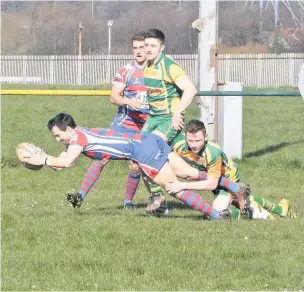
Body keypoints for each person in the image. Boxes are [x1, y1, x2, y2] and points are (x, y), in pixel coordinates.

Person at [22, 113, 238, 220]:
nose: (58, 139)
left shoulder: (78, 139)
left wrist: (41, 159)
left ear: (67, 129)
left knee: (175, 187)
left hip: (142, 151)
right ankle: (233, 186)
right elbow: (61, 162)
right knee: (187, 172)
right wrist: (42, 157)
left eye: (58, 135)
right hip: (149, 140)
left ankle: (217, 217)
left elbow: (67, 162)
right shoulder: (80, 133)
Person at [71, 32, 150, 210]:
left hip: (147, 125)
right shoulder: (126, 71)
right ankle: (80, 195)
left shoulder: (158, 71)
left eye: (142, 47)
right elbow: (114, 97)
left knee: (136, 162)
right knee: (103, 155)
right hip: (125, 122)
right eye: (135, 48)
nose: (138, 52)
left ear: (149, 48)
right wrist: (129, 101)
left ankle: (128, 202)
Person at [166, 119, 297, 219]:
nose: (194, 145)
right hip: (211, 177)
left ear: (205, 137)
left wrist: (181, 185)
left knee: (214, 214)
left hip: (228, 178)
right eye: (190, 140)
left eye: (198, 140)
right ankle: (282, 209)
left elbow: (211, 184)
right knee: (237, 201)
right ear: (185, 137)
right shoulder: (178, 143)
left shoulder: (213, 152)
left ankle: (254, 212)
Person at [140, 28, 198, 211]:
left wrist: (178, 112)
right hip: (153, 118)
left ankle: (217, 181)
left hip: (168, 119)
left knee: (149, 149)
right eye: (146, 45)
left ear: (162, 47)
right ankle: (157, 198)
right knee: (136, 155)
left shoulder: (169, 65)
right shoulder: (147, 66)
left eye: (152, 45)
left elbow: (191, 89)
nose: (148, 49)